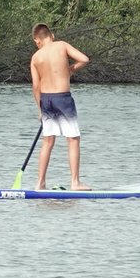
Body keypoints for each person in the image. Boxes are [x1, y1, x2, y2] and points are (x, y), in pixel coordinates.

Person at [30, 23, 91, 190]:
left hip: (46, 100)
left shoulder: (35, 57)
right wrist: (71, 69)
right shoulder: (61, 46)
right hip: (63, 98)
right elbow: (84, 59)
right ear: (52, 36)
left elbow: (36, 86)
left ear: (37, 41)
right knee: (73, 139)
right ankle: (75, 182)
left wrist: (40, 110)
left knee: (48, 141)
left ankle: (40, 182)